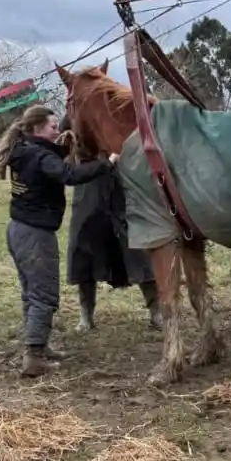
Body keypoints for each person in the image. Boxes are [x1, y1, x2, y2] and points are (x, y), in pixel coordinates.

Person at [0, 104, 113, 379]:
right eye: (53, 126)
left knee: (31, 293)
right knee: (44, 295)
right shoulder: (38, 156)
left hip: (18, 229)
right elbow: (69, 175)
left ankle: (39, 346)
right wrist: (107, 163)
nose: (57, 130)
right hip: (35, 235)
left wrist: (66, 144)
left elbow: (51, 160)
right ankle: (33, 357)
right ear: (37, 129)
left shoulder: (25, 149)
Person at [58, 114, 162, 334]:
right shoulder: (74, 113)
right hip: (89, 183)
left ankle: (156, 312)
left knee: (137, 248)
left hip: (121, 182)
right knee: (83, 250)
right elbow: (63, 137)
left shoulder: (112, 110)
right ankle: (86, 316)